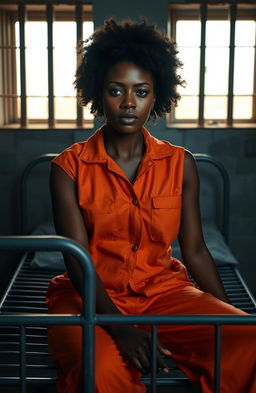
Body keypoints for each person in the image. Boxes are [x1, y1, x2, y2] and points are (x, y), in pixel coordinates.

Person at [46, 18, 256, 393]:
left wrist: (234, 320)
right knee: (101, 370)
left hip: (165, 293)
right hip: (89, 297)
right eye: (116, 90)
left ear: (156, 96)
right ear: (98, 92)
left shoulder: (182, 164)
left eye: (141, 91)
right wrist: (122, 331)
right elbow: (78, 264)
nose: (129, 102)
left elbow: (194, 250)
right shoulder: (67, 168)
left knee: (250, 343)